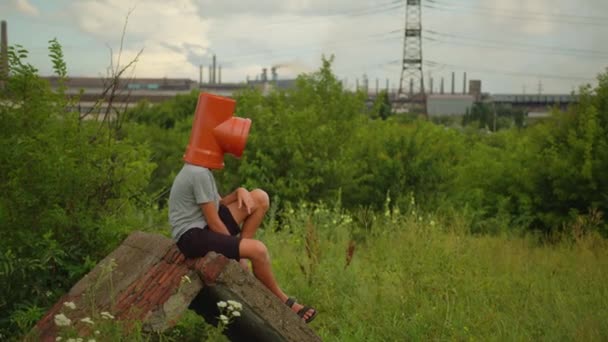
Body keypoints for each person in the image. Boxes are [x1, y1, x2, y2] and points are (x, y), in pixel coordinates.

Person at [168, 162, 317, 323]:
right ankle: (284, 301)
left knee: (259, 198)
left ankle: (244, 247)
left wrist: (239, 191)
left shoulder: (203, 170)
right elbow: (214, 221)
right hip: (193, 237)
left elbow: (218, 205)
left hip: (203, 227)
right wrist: (239, 255)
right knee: (258, 250)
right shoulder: (198, 173)